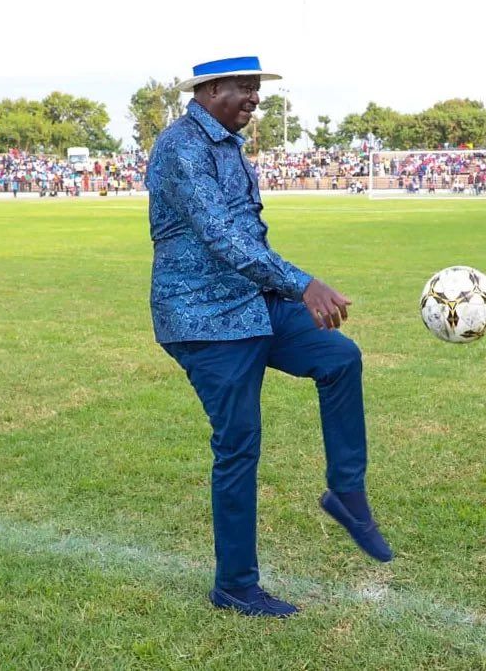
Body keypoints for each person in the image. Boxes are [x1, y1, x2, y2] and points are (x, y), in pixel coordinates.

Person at [147, 56, 393, 619]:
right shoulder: (182, 148)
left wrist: (289, 290)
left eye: (257, 89)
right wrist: (302, 283)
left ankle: (347, 493)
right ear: (209, 90)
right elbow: (221, 238)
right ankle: (235, 584)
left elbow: (250, 236)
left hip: (254, 307)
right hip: (204, 321)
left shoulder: (232, 147)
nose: (254, 98)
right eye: (244, 88)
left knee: (339, 356)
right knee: (238, 445)